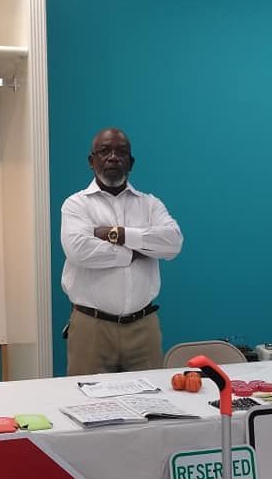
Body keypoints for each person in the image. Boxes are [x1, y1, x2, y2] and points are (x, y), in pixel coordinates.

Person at [60, 127, 183, 375]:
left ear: (131, 162)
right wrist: (137, 251)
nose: (113, 157)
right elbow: (79, 250)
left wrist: (118, 234)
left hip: (143, 328)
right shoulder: (76, 204)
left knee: (153, 407)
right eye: (104, 151)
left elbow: (173, 243)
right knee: (89, 408)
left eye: (121, 152)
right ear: (91, 161)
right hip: (91, 327)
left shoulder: (150, 204)